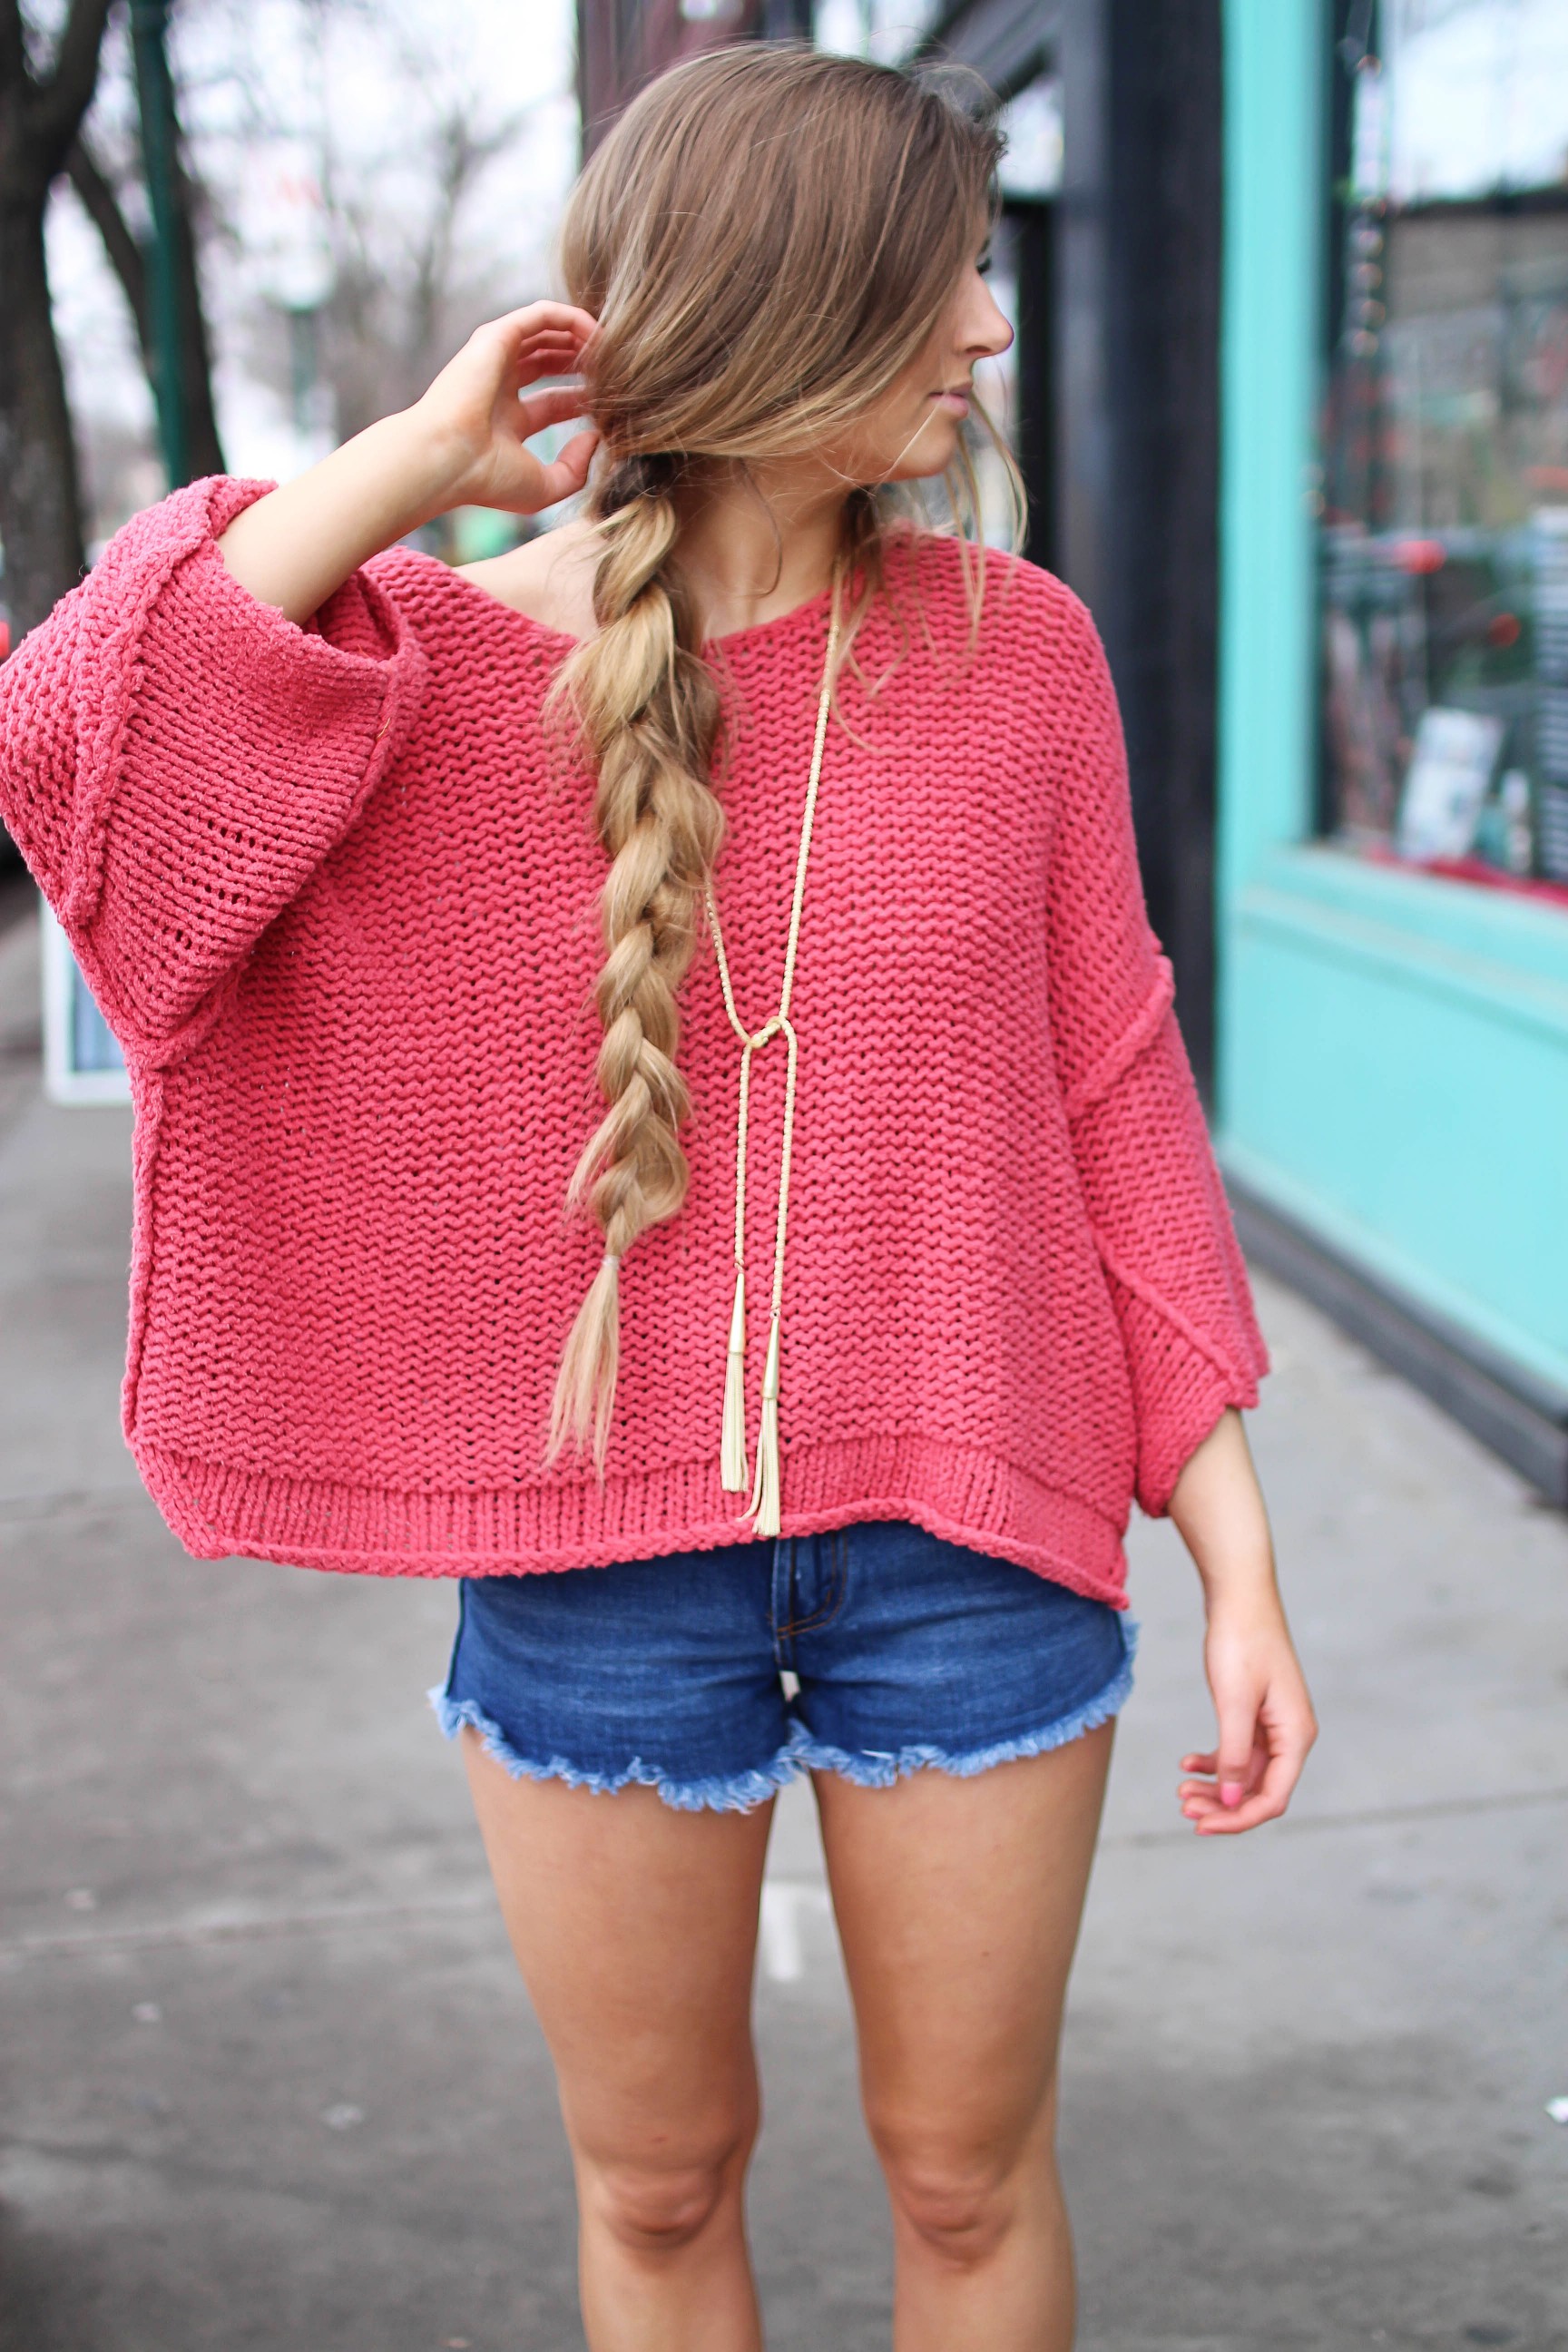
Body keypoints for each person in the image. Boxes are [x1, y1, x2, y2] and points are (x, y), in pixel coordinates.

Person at [0, 43, 1317, 2352]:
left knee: (965, 2180)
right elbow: (74, 757)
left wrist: (1233, 1551)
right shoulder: (424, 677)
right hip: (588, 1564)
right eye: (951, 283)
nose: (992, 337)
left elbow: (1113, 1096)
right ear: (793, 306)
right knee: (658, 2181)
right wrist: (409, 463)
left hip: (977, 1538)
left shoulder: (1030, 664)